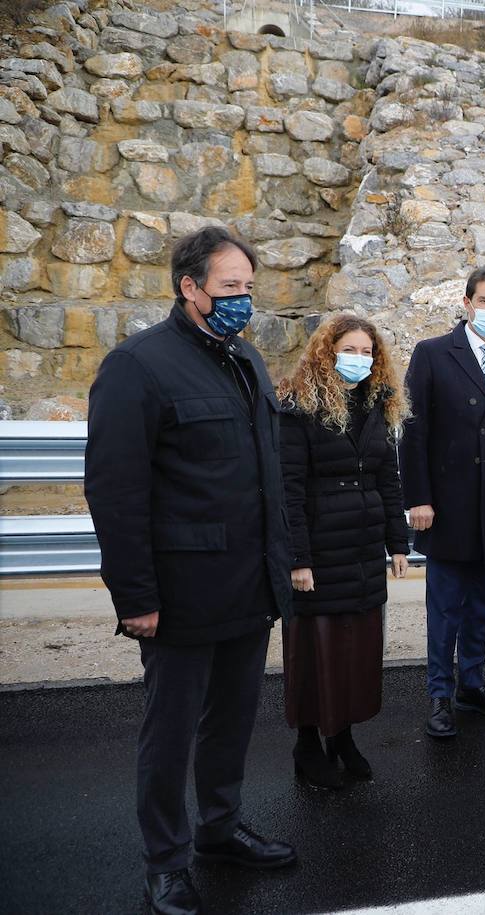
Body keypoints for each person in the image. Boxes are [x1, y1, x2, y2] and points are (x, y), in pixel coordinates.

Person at [85, 227, 296, 915]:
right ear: (190, 286)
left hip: (247, 586)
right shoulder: (137, 366)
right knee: (170, 732)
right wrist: (135, 595)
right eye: (231, 287)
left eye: (248, 287)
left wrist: (281, 567)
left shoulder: (246, 362)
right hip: (178, 595)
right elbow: (115, 490)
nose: (244, 299)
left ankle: (218, 826)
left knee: (231, 721)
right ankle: (166, 862)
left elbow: (265, 476)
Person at [276, 315, 411, 788]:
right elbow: (288, 489)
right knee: (316, 652)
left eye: (367, 351)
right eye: (350, 349)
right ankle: (308, 744)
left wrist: (398, 543)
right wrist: (298, 559)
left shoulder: (378, 402)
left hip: (362, 547)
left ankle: (344, 736)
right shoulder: (298, 405)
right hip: (318, 552)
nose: (360, 359)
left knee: (356, 650)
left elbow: (388, 479)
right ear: (326, 352)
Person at [401, 268, 485, 738]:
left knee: (482, 604)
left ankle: (471, 684)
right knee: (445, 608)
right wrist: (418, 498)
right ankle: (439, 693)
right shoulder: (433, 354)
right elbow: (413, 431)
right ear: (466, 302)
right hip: (447, 504)